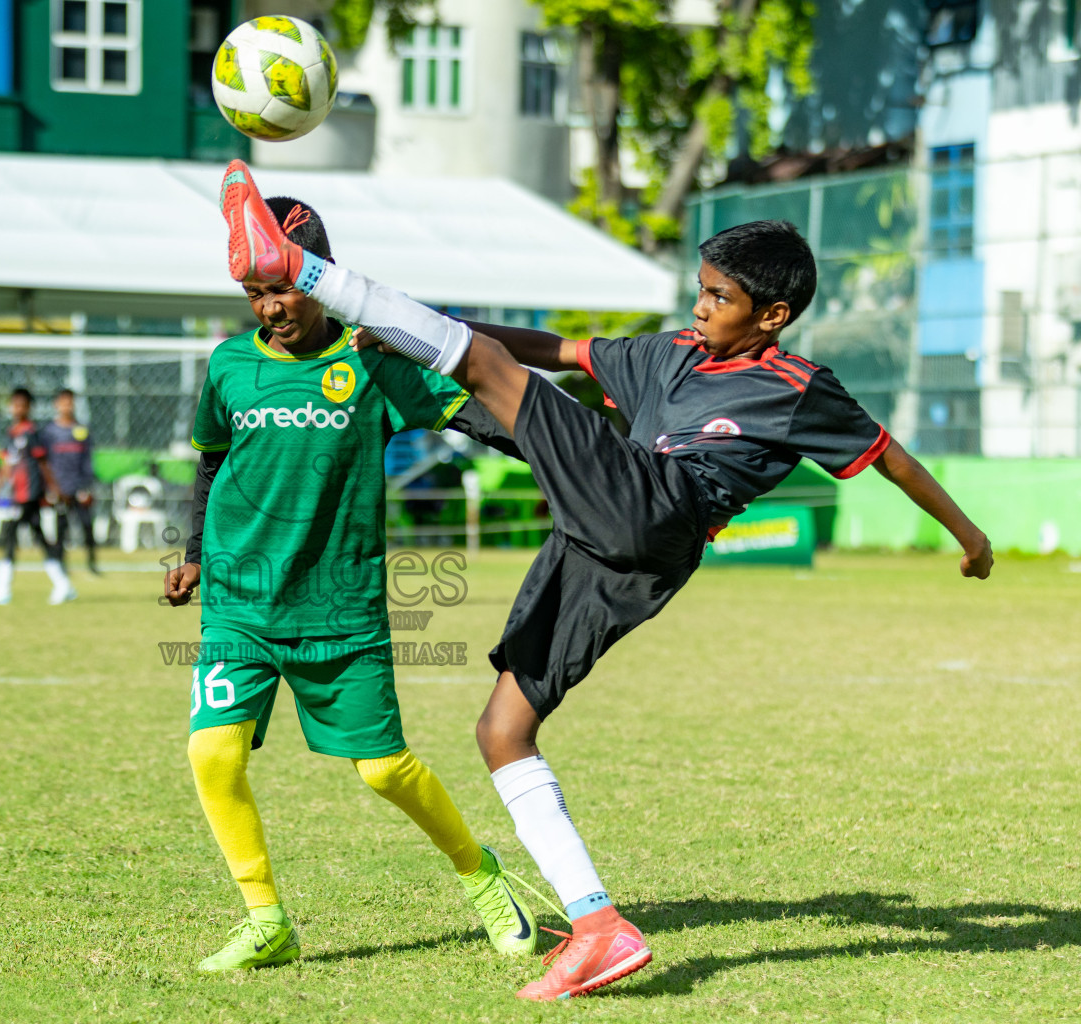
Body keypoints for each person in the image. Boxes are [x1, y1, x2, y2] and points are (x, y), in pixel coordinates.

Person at [216, 162, 994, 1000]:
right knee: (502, 728)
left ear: (772, 316)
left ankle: (303, 269)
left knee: (475, 367)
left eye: (719, 298)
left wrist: (970, 535)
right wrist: (426, 328)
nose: (699, 307)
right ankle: (599, 928)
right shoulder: (666, 357)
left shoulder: (798, 385)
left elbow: (892, 458)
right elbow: (549, 350)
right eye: (699, 289)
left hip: (663, 508)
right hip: (606, 544)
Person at [162, 196, 538, 973]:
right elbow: (209, 460)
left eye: (285, 290)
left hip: (340, 604)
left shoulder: (372, 362)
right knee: (212, 755)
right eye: (255, 296)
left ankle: (482, 876)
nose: (271, 309)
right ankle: (266, 919)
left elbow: (481, 417)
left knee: (383, 771)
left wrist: (566, 455)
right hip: (243, 598)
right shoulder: (230, 365)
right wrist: (195, 551)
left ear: (322, 280)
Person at [0, 387, 74, 605]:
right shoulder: (11, 433)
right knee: (38, 536)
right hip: (17, 492)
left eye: (22, 404)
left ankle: (2, 588)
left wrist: (54, 488)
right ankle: (62, 584)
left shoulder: (31, 433)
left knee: (10, 534)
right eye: (14, 404)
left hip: (28, 492)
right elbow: (7, 465)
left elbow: (43, 463)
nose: (17, 408)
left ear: (29, 408)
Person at [41, 388, 101, 575]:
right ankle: (60, 564)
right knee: (61, 528)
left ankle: (91, 563)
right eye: (64, 402)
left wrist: (86, 486)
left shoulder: (81, 430)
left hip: (78, 486)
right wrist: (50, 487)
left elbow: (87, 460)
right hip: (59, 488)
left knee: (86, 525)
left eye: (71, 402)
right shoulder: (49, 432)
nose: (67, 406)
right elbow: (44, 461)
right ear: (56, 404)